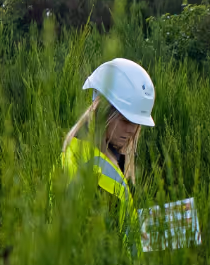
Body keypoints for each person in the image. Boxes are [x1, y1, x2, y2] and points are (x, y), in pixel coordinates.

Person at [58, 57, 156, 250]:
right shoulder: (92, 167)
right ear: (101, 110)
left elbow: (120, 227)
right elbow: (99, 246)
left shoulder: (90, 152)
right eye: (126, 119)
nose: (132, 129)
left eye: (137, 122)